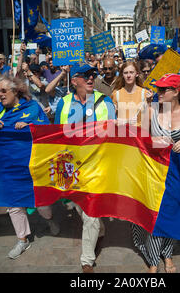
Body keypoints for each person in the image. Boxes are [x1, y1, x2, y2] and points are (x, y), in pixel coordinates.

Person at [132, 73, 180, 273]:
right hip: (154, 171)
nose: (159, 92)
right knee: (156, 212)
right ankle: (154, 260)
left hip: (179, 173)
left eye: (163, 89)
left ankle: (168, 254)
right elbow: (141, 142)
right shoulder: (151, 111)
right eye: (158, 89)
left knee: (173, 212)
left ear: (176, 92)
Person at [0, 76, 59, 259]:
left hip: (33, 166)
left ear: (15, 91)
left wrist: (30, 126)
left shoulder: (32, 107)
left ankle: (50, 220)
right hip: (9, 167)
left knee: (43, 206)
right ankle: (23, 240)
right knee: (14, 205)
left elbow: (46, 129)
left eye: (3, 91)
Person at [54, 61, 116, 273]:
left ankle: (87, 260)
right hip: (70, 165)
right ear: (74, 80)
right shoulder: (63, 103)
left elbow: (114, 134)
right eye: (85, 75)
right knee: (79, 205)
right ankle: (99, 228)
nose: (91, 78)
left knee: (90, 211)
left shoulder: (104, 101)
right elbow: (56, 135)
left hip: (97, 165)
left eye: (93, 75)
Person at [111, 61, 152, 127]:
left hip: (140, 135)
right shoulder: (116, 94)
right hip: (122, 134)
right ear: (122, 75)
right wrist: (126, 121)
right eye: (125, 73)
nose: (128, 76)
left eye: (131, 72)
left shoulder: (145, 94)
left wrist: (149, 103)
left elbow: (149, 120)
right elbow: (111, 120)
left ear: (137, 74)